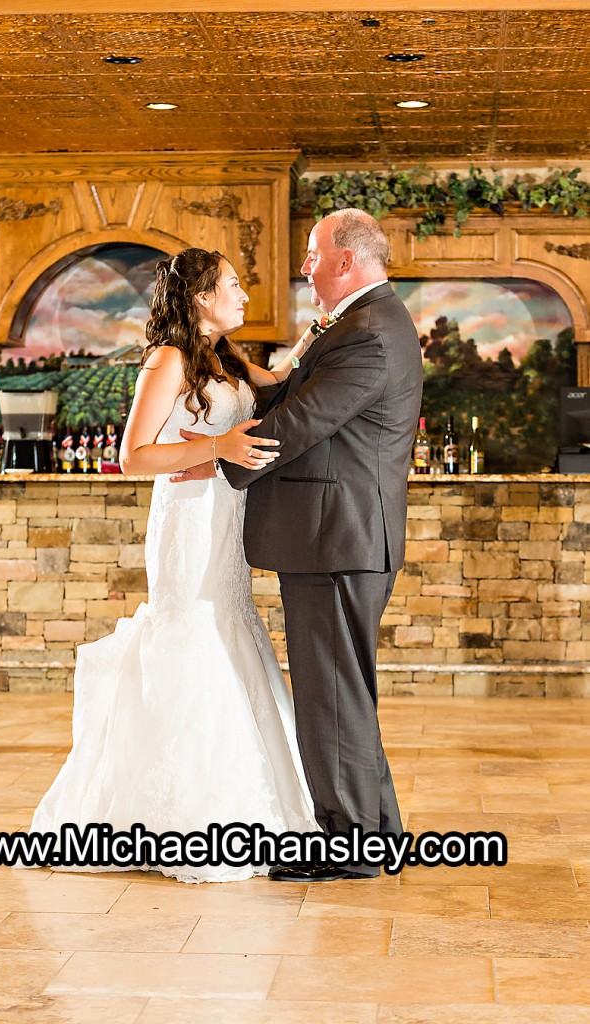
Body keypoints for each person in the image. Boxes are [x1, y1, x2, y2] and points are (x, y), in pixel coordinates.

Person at [28, 247, 319, 883]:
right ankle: (184, 816)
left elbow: (270, 384)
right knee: (193, 634)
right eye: (234, 285)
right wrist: (219, 446)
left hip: (227, 514)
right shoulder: (169, 359)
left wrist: (310, 341)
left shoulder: (226, 357)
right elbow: (134, 455)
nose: (245, 295)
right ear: (201, 298)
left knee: (231, 626)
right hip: (188, 518)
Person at [177, 210, 423, 882]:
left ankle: (346, 849)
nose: (305, 267)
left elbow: (303, 421)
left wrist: (216, 461)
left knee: (332, 696)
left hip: (335, 538)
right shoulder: (360, 324)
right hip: (335, 536)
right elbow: (291, 393)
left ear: (344, 259)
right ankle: (378, 836)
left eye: (312, 255)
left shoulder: (368, 332)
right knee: (344, 692)